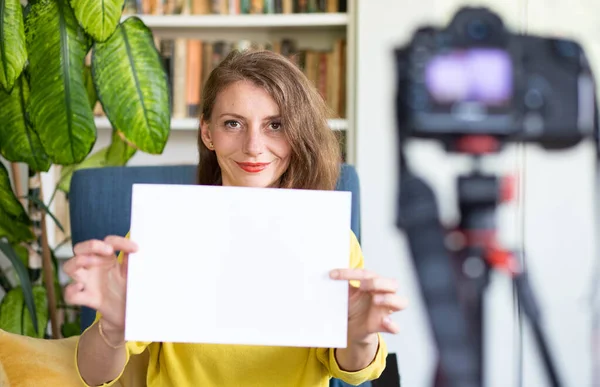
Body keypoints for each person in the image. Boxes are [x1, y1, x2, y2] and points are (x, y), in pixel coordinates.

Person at [63, 49, 407, 387]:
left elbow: (355, 371)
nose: (253, 146)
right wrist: (112, 327)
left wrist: (359, 336)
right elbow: (95, 376)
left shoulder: (327, 236)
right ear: (207, 132)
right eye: (233, 123)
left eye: (275, 125)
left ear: (298, 133)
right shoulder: (162, 231)